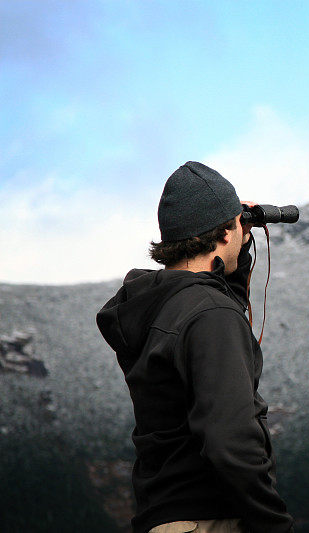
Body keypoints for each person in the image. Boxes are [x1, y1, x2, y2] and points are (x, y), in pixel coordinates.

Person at [96, 161, 295, 533]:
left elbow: (211, 303)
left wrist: (237, 248)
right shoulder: (211, 314)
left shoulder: (157, 306)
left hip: (166, 518)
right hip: (211, 519)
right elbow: (230, 440)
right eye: (236, 224)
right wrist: (275, 524)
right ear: (223, 232)